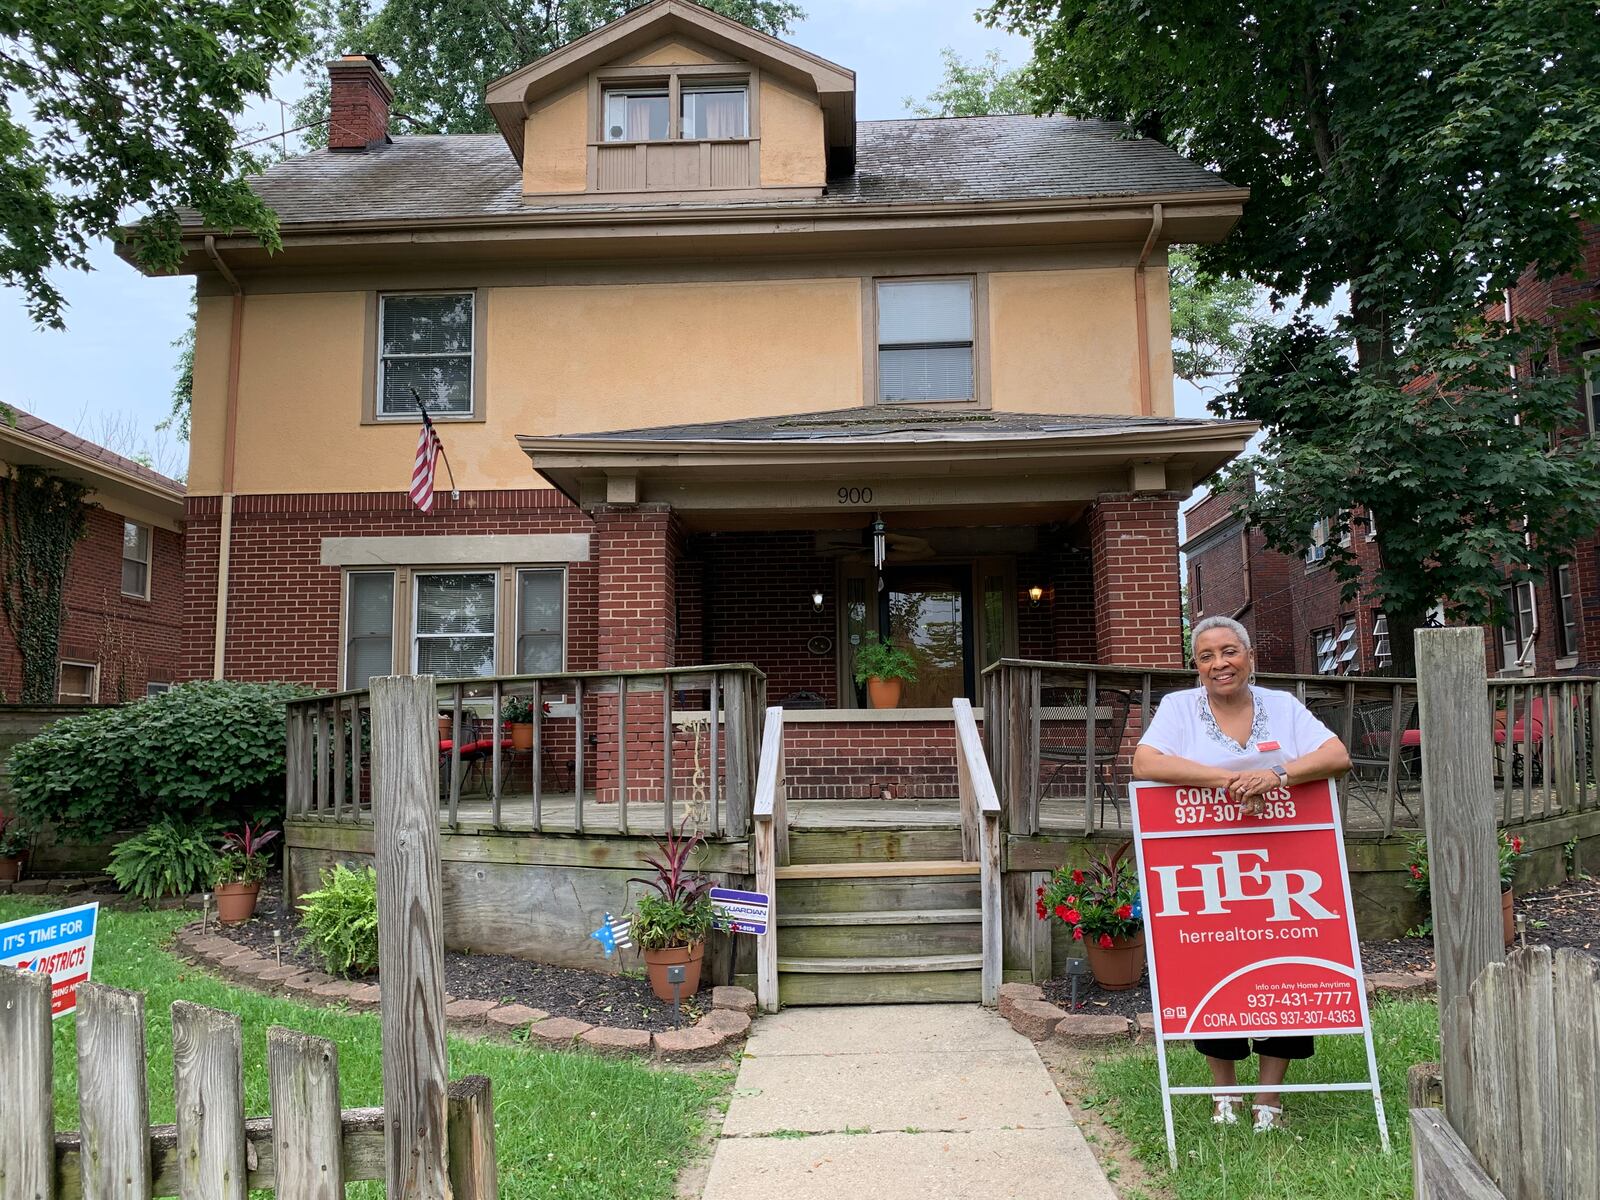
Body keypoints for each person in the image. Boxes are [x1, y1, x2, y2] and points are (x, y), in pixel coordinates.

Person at [1131, 615, 1352, 1132]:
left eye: (1228, 652)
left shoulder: (1282, 705)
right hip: (1208, 864)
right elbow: (1145, 762)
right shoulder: (1179, 708)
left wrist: (1274, 774)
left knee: (1285, 970)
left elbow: (1336, 755)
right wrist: (1232, 780)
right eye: (1206, 657)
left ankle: (1268, 1096)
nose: (1218, 664)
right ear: (1196, 667)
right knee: (1212, 966)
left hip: (1289, 862)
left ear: (1249, 658)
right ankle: (1224, 1092)